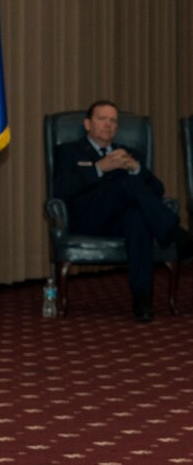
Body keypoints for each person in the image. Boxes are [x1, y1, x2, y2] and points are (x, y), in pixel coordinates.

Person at [54, 100, 193, 322]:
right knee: (126, 185)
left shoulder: (129, 153)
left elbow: (157, 190)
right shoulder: (68, 151)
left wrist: (135, 168)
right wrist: (100, 167)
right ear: (88, 124)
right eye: (102, 119)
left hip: (119, 221)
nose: (108, 125)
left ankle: (142, 300)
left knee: (137, 218)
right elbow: (62, 189)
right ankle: (175, 233)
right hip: (87, 219)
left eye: (113, 121)